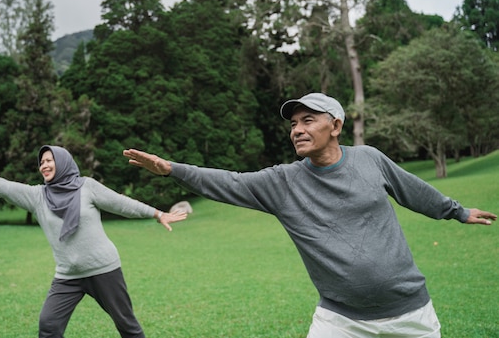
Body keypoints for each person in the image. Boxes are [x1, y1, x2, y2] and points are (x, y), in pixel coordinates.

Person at [122, 93, 496, 338]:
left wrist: (458, 211)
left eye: (308, 120)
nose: (297, 130)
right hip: (340, 320)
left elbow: (415, 191)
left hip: (409, 312)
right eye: (293, 124)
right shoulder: (282, 182)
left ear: (335, 126)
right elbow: (229, 182)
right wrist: (173, 169)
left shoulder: (370, 159)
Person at [0, 145, 187, 338]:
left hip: (104, 269)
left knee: (127, 327)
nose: (44, 165)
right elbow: (4, 187)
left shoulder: (87, 187)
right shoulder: (37, 196)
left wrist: (157, 214)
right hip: (67, 276)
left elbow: (121, 203)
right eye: (41, 162)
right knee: (48, 326)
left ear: (62, 162)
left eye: (49, 160)